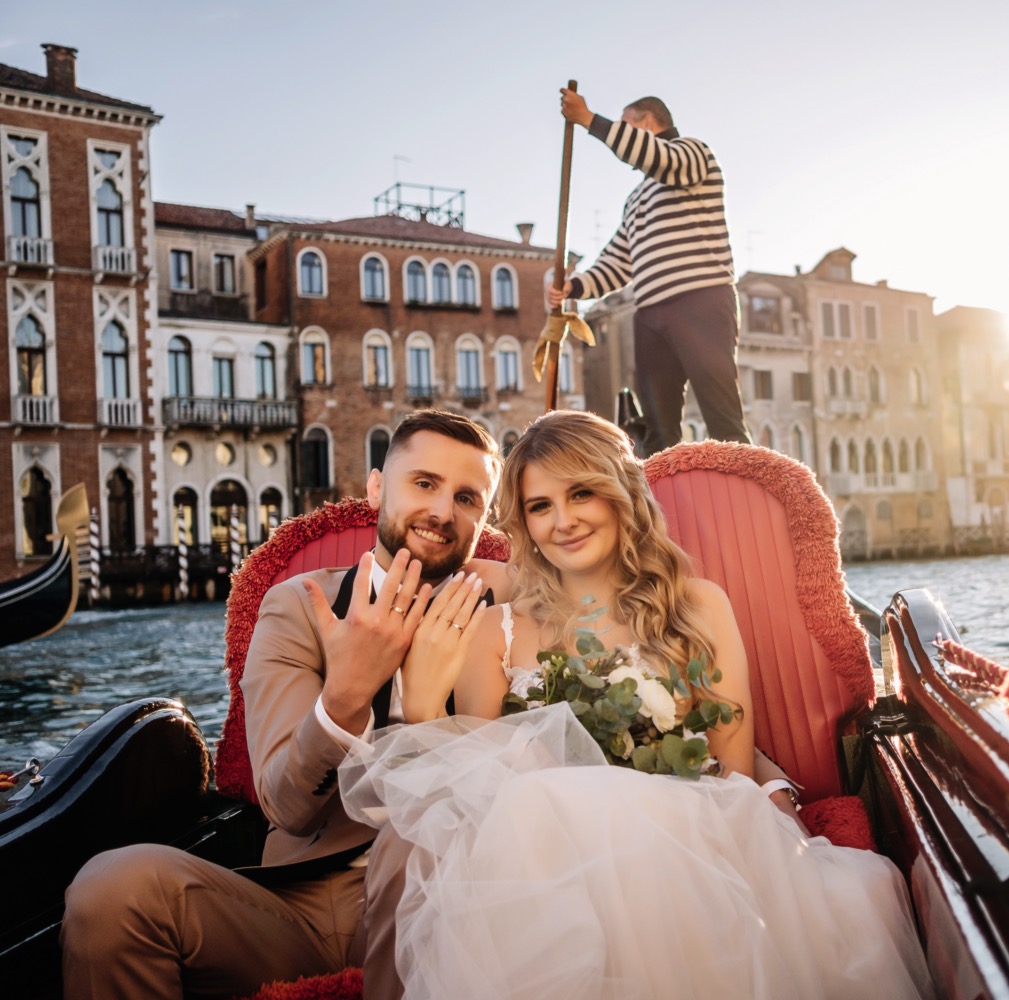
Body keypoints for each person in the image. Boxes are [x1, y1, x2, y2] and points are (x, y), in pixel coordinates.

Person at [343, 410, 933, 998]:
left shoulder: (699, 607)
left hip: (691, 846)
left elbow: (731, 770)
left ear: (621, 494)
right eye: (540, 506)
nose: (564, 521)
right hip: (545, 877)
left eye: (582, 493)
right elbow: (483, 796)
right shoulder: (493, 630)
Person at [60, 409, 505, 1000]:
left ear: (485, 517)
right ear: (377, 488)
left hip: (446, 901)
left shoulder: (507, 605)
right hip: (303, 905)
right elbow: (287, 806)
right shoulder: (297, 606)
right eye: (424, 483)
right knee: (109, 889)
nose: (443, 512)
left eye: (467, 498)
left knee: (416, 841)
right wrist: (346, 694)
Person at [549, 88, 751, 456]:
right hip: (650, 316)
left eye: (626, 126)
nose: (622, 139)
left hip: (701, 300)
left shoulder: (694, 155)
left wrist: (589, 120)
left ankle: (747, 486)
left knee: (722, 416)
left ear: (645, 123)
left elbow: (656, 157)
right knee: (658, 428)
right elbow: (618, 262)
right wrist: (573, 287)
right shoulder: (636, 199)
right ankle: (664, 490)